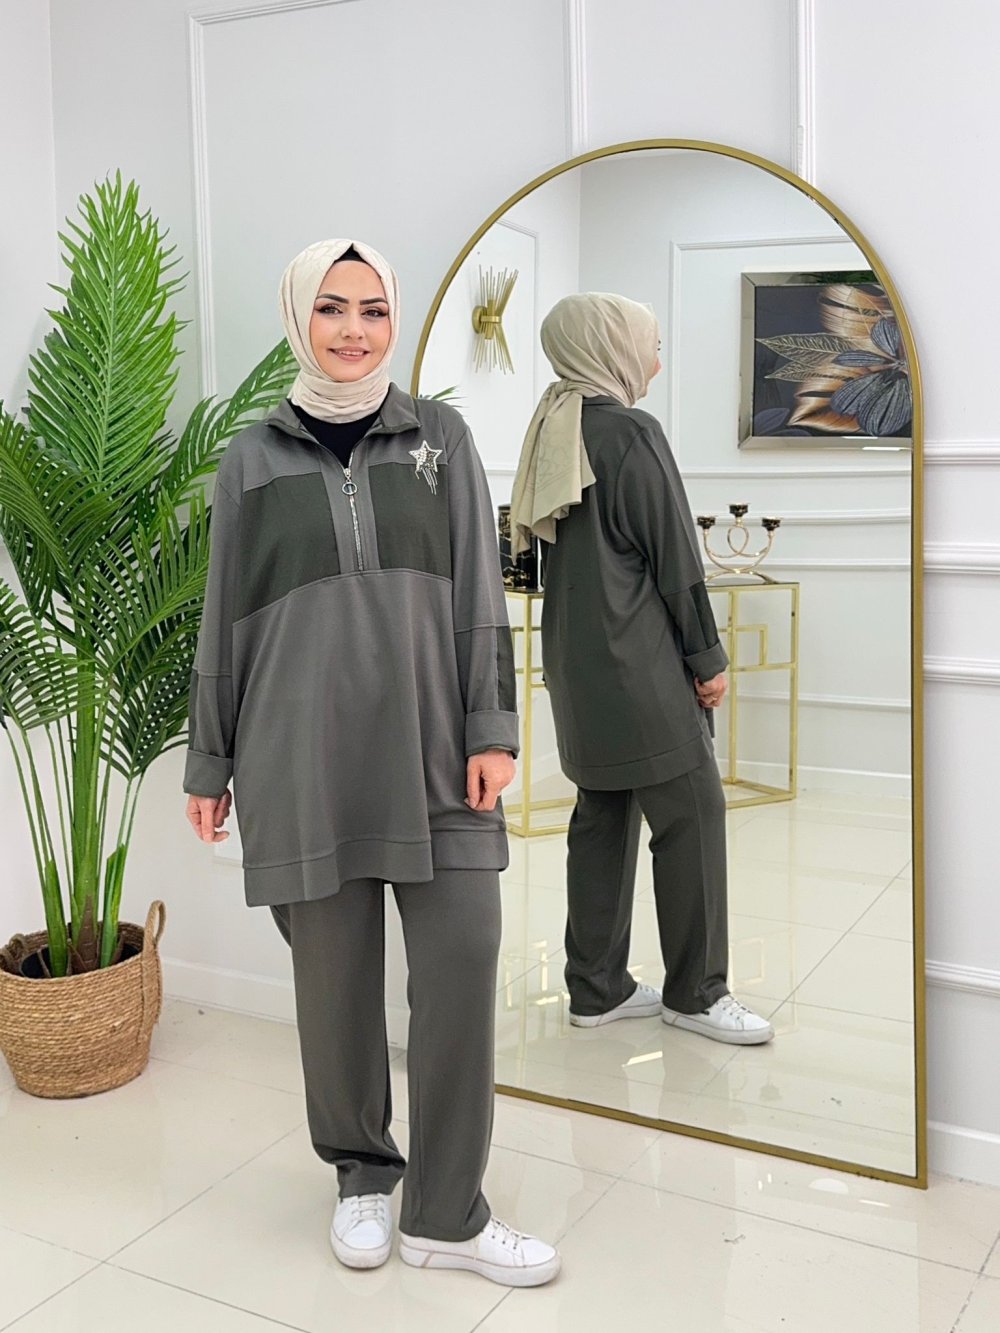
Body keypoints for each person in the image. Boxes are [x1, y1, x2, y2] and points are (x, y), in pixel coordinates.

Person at [184, 238, 560, 1286]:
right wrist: (210, 763)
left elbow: (479, 591)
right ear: (298, 317)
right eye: (333, 308)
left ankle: (446, 1212)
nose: (354, 329)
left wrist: (491, 726)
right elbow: (224, 621)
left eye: (374, 309)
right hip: (300, 757)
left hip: (436, 749)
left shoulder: (439, 437)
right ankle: (360, 1173)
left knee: (462, 964)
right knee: (335, 986)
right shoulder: (250, 460)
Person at [510, 292, 773, 1046]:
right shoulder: (629, 432)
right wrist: (707, 657)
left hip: (575, 659)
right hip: (639, 661)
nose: (655, 362)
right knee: (693, 815)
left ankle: (596, 988)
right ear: (610, 347)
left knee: (603, 815)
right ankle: (697, 993)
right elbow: (675, 558)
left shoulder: (551, 426)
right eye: (649, 345)